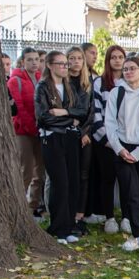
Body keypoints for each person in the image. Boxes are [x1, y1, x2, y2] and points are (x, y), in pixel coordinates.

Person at [104, 56, 139, 256]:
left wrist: (138, 152)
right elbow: (110, 124)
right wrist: (119, 149)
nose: (128, 72)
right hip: (122, 149)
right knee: (131, 192)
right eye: (126, 69)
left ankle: (138, 235)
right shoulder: (116, 93)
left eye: (133, 68)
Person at [35, 51, 91, 244]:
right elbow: (43, 117)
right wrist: (69, 121)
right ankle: (57, 228)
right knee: (60, 183)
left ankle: (68, 227)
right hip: (52, 139)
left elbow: (83, 112)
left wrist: (64, 112)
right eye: (60, 64)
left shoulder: (70, 87)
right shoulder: (43, 87)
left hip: (70, 139)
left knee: (73, 182)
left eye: (66, 64)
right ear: (50, 65)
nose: (65, 67)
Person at [87, 45, 126, 233]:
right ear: (108, 60)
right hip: (106, 142)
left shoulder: (130, 82)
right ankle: (109, 217)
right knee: (107, 179)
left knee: (127, 180)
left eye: (121, 57)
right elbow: (96, 114)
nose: (117, 60)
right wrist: (109, 141)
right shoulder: (99, 83)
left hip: (127, 142)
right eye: (113, 57)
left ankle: (126, 216)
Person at [8, 47, 45, 218]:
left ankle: (33, 206)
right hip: (23, 131)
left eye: (36, 59)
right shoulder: (16, 80)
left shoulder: (40, 79)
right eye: (30, 59)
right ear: (23, 61)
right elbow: (20, 108)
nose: (34, 63)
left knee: (40, 170)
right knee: (26, 170)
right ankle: (18, 207)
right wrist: (31, 127)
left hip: (39, 130)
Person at [66, 46, 93, 237]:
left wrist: (85, 132)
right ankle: (67, 216)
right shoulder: (62, 82)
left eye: (79, 58)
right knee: (69, 175)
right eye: (72, 58)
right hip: (68, 134)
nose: (76, 62)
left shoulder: (88, 82)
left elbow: (90, 110)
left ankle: (79, 216)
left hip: (85, 136)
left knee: (84, 176)